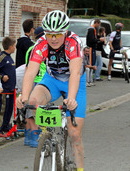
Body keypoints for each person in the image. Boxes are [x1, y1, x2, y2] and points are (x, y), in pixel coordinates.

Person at [16, 10, 86, 171]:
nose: (53, 39)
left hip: (74, 82)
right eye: (49, 34)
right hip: (52, 80)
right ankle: (46, 135)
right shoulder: (40, 43)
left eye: (58, 34)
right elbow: (31, 71)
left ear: (66, 32)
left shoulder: (73, 42)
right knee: (33, 101)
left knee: (75, 134)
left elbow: (75, 72)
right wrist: (23, 97)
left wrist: (72, 98)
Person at [16, 27, 46, 147]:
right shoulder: (43, 49)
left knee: (29, 109)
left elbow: (27, 68)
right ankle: (35, 137)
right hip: (40, 81)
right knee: (37, 110)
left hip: (31, 81)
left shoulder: (30, 49)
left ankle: (29, 137)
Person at [0, 37, 16, 133]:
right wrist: (2, 76)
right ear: (10, 46)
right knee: (2, 109)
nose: (15, 48)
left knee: (9, 109)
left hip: (11, 89)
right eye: (14, 46)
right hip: (4, 89)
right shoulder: (2, 57)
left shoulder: (9, 57)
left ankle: (6, 125)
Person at [86, 19, 104, 85]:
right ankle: (88, 81)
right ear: (96, 23)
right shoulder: (91, 29)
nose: (98, 26)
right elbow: (91, 40)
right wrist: (99, 39)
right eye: (98, 24)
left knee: (93, 63)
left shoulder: (93, 29)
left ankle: (90, 80)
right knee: (90, 63)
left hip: (93, 48)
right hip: (91, 48)